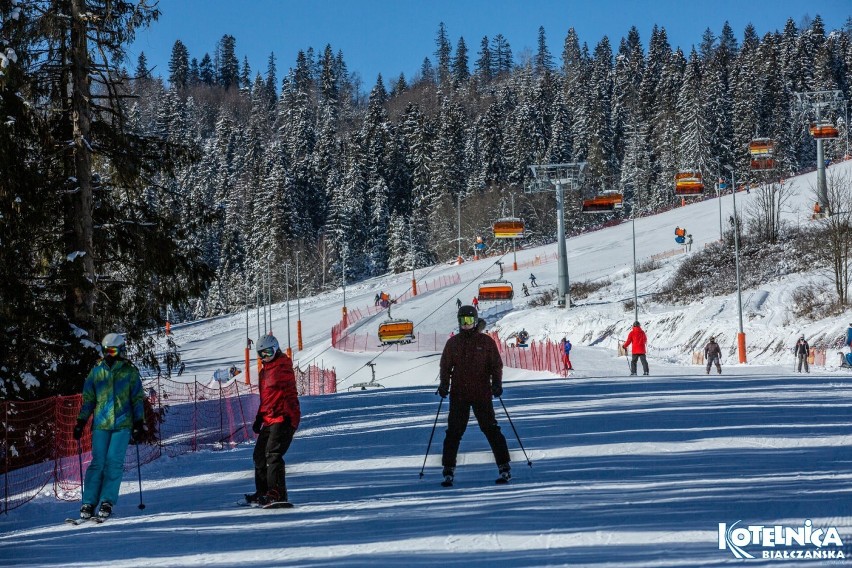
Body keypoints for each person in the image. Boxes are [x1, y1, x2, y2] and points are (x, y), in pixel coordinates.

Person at [73, 333, 145, 520]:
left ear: (121, 350)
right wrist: (81, 421)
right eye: (106, 351)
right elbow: (89, 399)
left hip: (122, 424)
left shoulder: (129, 371)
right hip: (101, 425)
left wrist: (139, 422)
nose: (109, 355)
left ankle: (107, 500)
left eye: (113, 351)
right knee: (97, 463)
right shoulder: (97, 372)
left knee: (113, 461)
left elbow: (137, 399)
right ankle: (88, 502)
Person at [437, 306, 510, 486]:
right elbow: (445, 367)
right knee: (454, 432)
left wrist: (497, 384)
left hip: (481, 393)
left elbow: (496, 365)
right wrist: (444, 385)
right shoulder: (453, 343)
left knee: (491, 429)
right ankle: (448, 469)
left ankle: (504, 466)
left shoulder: (485, 342)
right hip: (459, 394)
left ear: (476, 321)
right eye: (463, 322)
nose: (466, 325)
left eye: (469, 321)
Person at [246, 334, 301, 506]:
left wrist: (285, 414)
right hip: (270, 418)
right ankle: (263, 492)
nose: (266, 357)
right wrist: (259, 417)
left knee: (273, 453)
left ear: (276, 349)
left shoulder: (283, 366)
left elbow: (284, 390)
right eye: (262, 354)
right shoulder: (265, 372)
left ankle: (277, 492)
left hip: (284, 416)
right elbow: (267, 398)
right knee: (259, 455)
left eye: (269, 352)